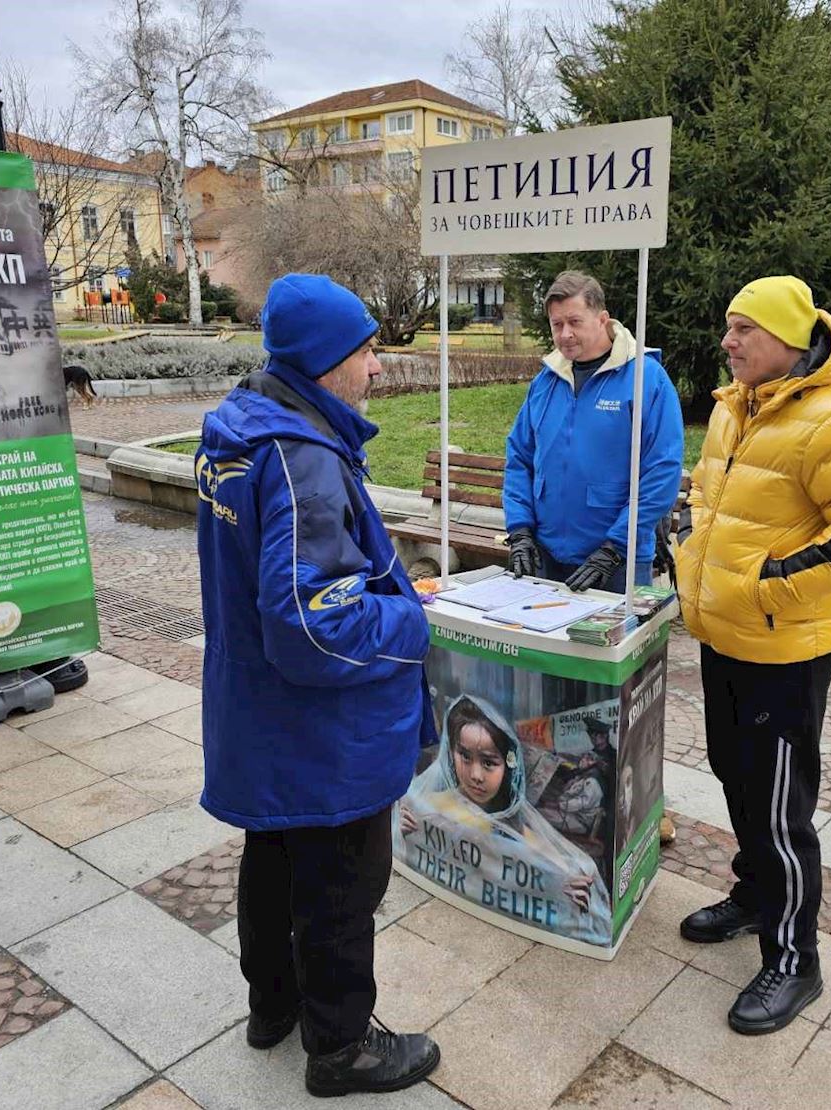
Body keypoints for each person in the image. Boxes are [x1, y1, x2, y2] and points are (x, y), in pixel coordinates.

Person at [195, 273, 440, 1097]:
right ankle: (340, 1048)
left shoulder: (241, 432)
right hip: (320, 729)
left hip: (263, 716)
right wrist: (409, 621)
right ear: (327, 359)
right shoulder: (299, 456)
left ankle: (275, 1007)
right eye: (367, 351)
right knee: (340, 882)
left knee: (273, 856)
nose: (378, 367)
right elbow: (312, 625)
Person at [675, 276, 831, 1035]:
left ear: (785, 338)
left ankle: (796, 958)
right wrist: (690, 551)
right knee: (732, 772)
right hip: (725, 635)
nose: (728, 341)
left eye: (743, 329)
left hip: (783, 648)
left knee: (779, 807)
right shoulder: (734, 404)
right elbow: (711, 497)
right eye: (727, 327)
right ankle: (753, 895)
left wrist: (766, 582)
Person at [503, 271, 683, 593]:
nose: (565, 334)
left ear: (602, 319)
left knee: (611, 645)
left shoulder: (646, 379)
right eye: (557, 325)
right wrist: (519, 531)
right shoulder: (546, 382)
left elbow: (662, 472)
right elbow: (519, 457)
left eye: (575, 322)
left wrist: (615, 548)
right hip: (547, 555)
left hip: (617, 562)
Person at [396, 695, 612, 946]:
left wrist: (568, 889)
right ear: (451, 752)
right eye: (465, 756)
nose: (475, 775)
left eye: (489, 763)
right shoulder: (429, 807)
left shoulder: (514, 830)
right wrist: (401, 833)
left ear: (508, 766)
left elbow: (555, 869)